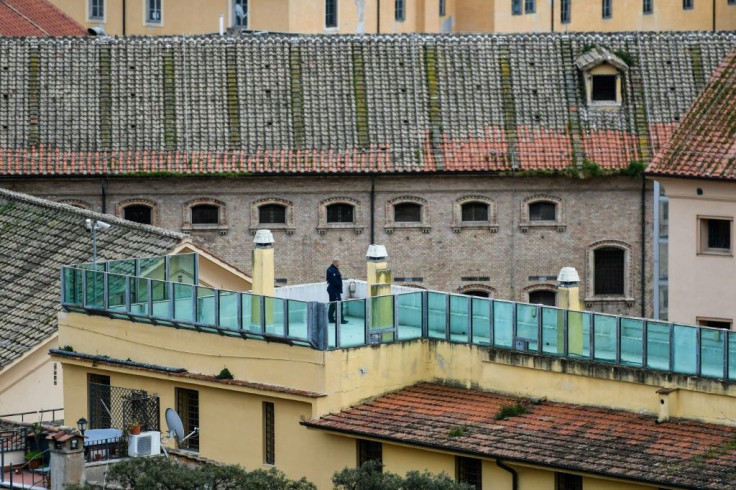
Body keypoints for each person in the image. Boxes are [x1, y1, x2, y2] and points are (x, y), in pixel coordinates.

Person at [326, 258, 348, 324]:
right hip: (334, 290)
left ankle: (331, 319)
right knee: (338, 304)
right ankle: (340, 319)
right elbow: (334, 281)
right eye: (338, 262)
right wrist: (338, 287)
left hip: (335, 290)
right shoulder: (331, 270)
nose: (339, 264)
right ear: (335, 262)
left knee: (333, 304)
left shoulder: (334, 269)